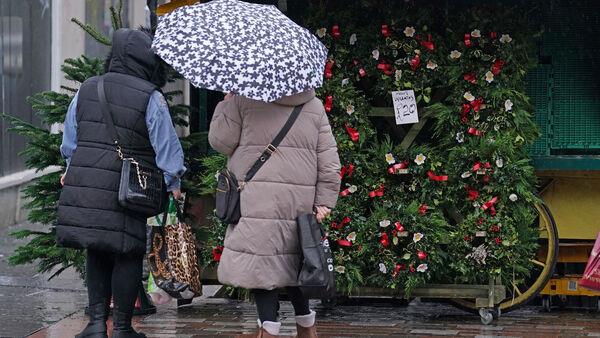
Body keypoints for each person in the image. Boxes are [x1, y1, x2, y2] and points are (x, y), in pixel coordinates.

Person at [56, 28, 186, 338]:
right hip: (131, 188)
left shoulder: (88, 88)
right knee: (127, 250)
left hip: (87, 181)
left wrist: (70, 167)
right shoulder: (150, 96)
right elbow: (166, 146)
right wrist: (174, 180)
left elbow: (70, 138)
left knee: (96, 248)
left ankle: (97, 325)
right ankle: (124, 328)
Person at [209, 90, 341, 338]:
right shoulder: (312, 106)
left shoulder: (243, 99)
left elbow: (220, 141)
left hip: (255, 200)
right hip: (298, 201)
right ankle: (306, 327)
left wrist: (226, 105)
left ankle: (269, 329)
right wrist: (324, 200)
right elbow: (329, 159)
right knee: (296, 261)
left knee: (262, 264)